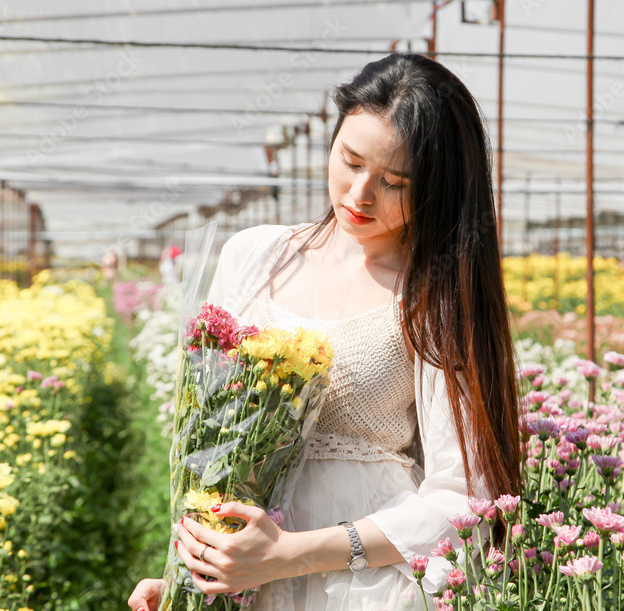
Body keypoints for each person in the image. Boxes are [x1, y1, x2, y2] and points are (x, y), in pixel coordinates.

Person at [128, 53, 523, 611]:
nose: (360, 195)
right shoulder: (255, 257)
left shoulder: (435, 297)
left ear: (437, 187)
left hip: (361, 587)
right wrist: (185, 575)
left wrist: (291, 555)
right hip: (242, 581)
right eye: (350, 160)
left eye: (394, 182)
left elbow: (463, 499)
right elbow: (212, 449)